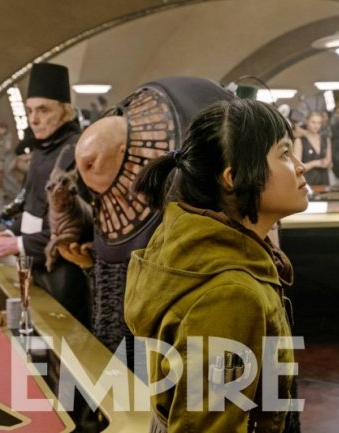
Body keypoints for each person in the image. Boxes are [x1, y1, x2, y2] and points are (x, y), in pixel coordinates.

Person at [124, 98, 307, 432]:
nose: (300, 166)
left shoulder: (195, 244)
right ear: (233, 177)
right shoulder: (230, 294)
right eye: (284, 154)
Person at [56, 77, 234, 368]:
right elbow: (116, 297)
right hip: (128, 361)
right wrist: (91, 266)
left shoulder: (185, 217)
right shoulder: (110, 207)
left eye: (90, 164)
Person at [0, 63, 90, 325]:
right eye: (30, 111)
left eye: (43, 110)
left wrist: (19, 244)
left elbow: (76, 229)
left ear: (65, 111)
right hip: (34, 269)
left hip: (65, 278)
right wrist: (11, 232)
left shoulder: (77, 152)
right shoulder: (41, 150)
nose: (33, 119)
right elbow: (31, 207)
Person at [294, 111, 331, 187]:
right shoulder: (300, 141)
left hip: (324, 182)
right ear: (307, 121)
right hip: (307, 183)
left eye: (319, 123)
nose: (316, 126)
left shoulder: (325, 139)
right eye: (313, 122)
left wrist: (327, 163)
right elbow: (297, 169)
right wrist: (314, 163)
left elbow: (329, 163)